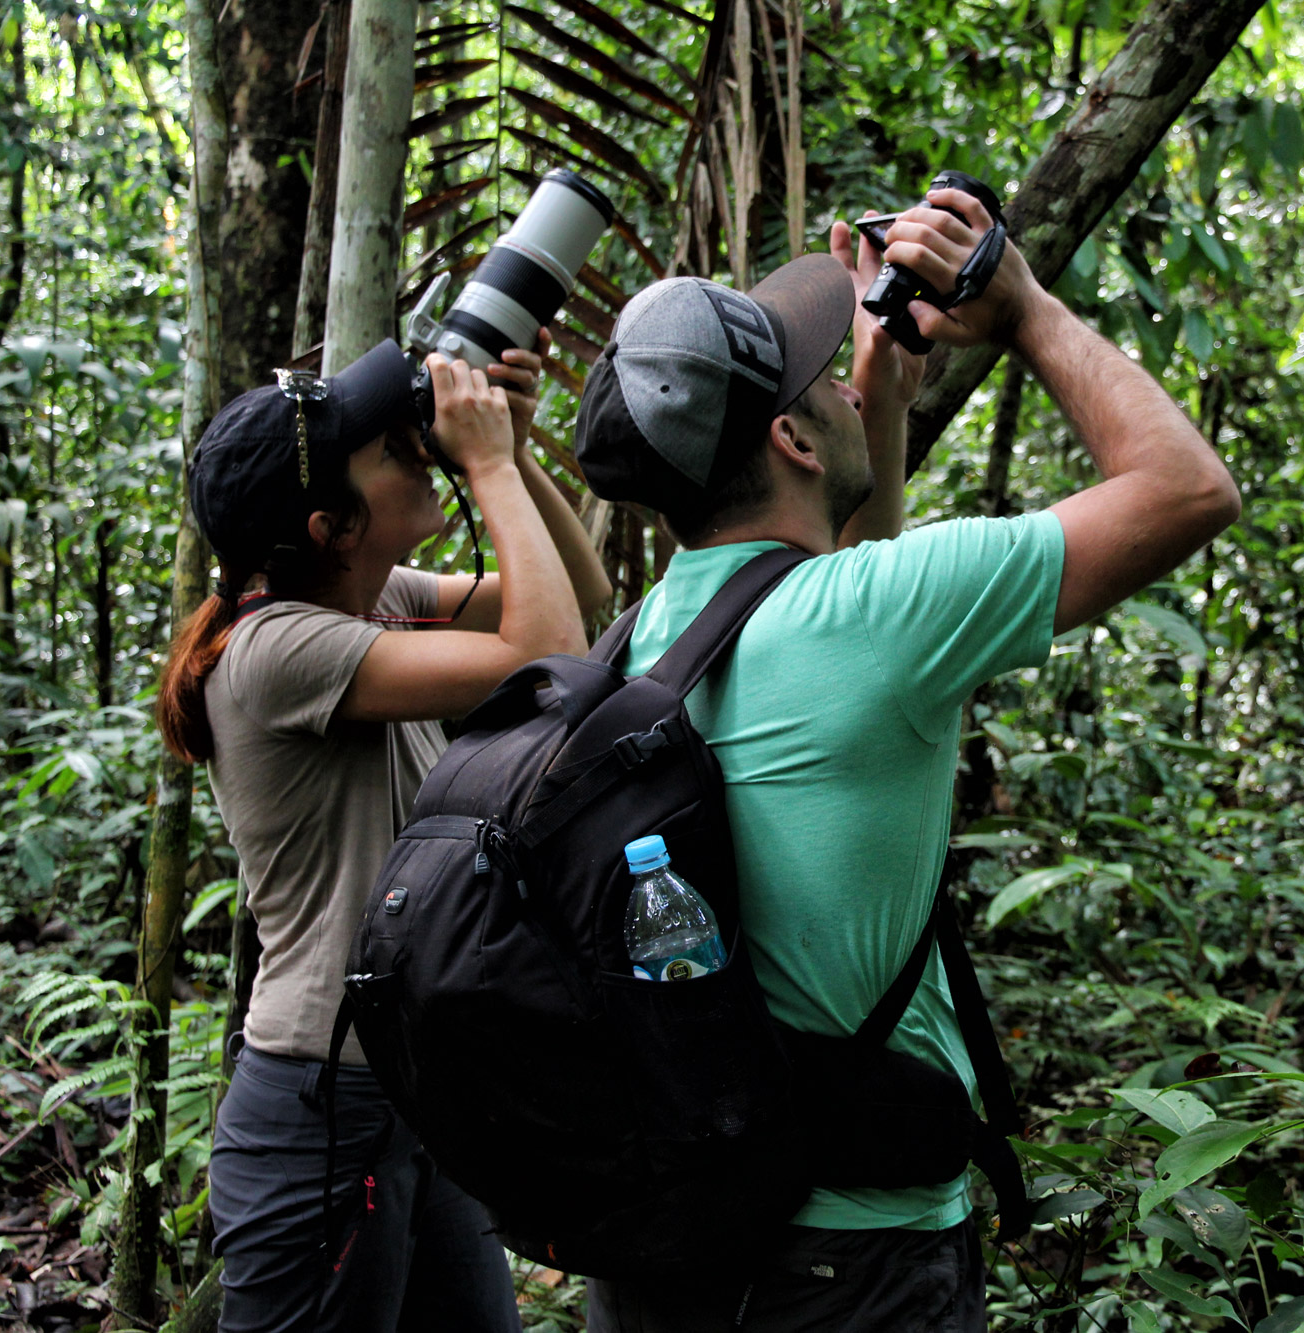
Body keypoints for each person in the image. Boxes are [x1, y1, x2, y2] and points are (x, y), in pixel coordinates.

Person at [569, 190, 1240, 1331]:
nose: (837, 377)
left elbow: (837, 628)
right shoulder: (872, 616)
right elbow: (1187, 490)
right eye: (816, 378)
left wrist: (874, 400)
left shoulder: (637, 646)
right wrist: (1022, 306)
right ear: (786, 438)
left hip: (671, 1234)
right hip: (851, 1259)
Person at [156, 335, 611, 1332]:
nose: (416, 450)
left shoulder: (375, 600)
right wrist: (484, 463)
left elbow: (581, 604)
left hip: (413, 1086)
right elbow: (552, 655)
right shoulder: (275, 649)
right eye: (389, 451)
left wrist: (518, 452)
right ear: (332, 526)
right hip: (325, 1106)